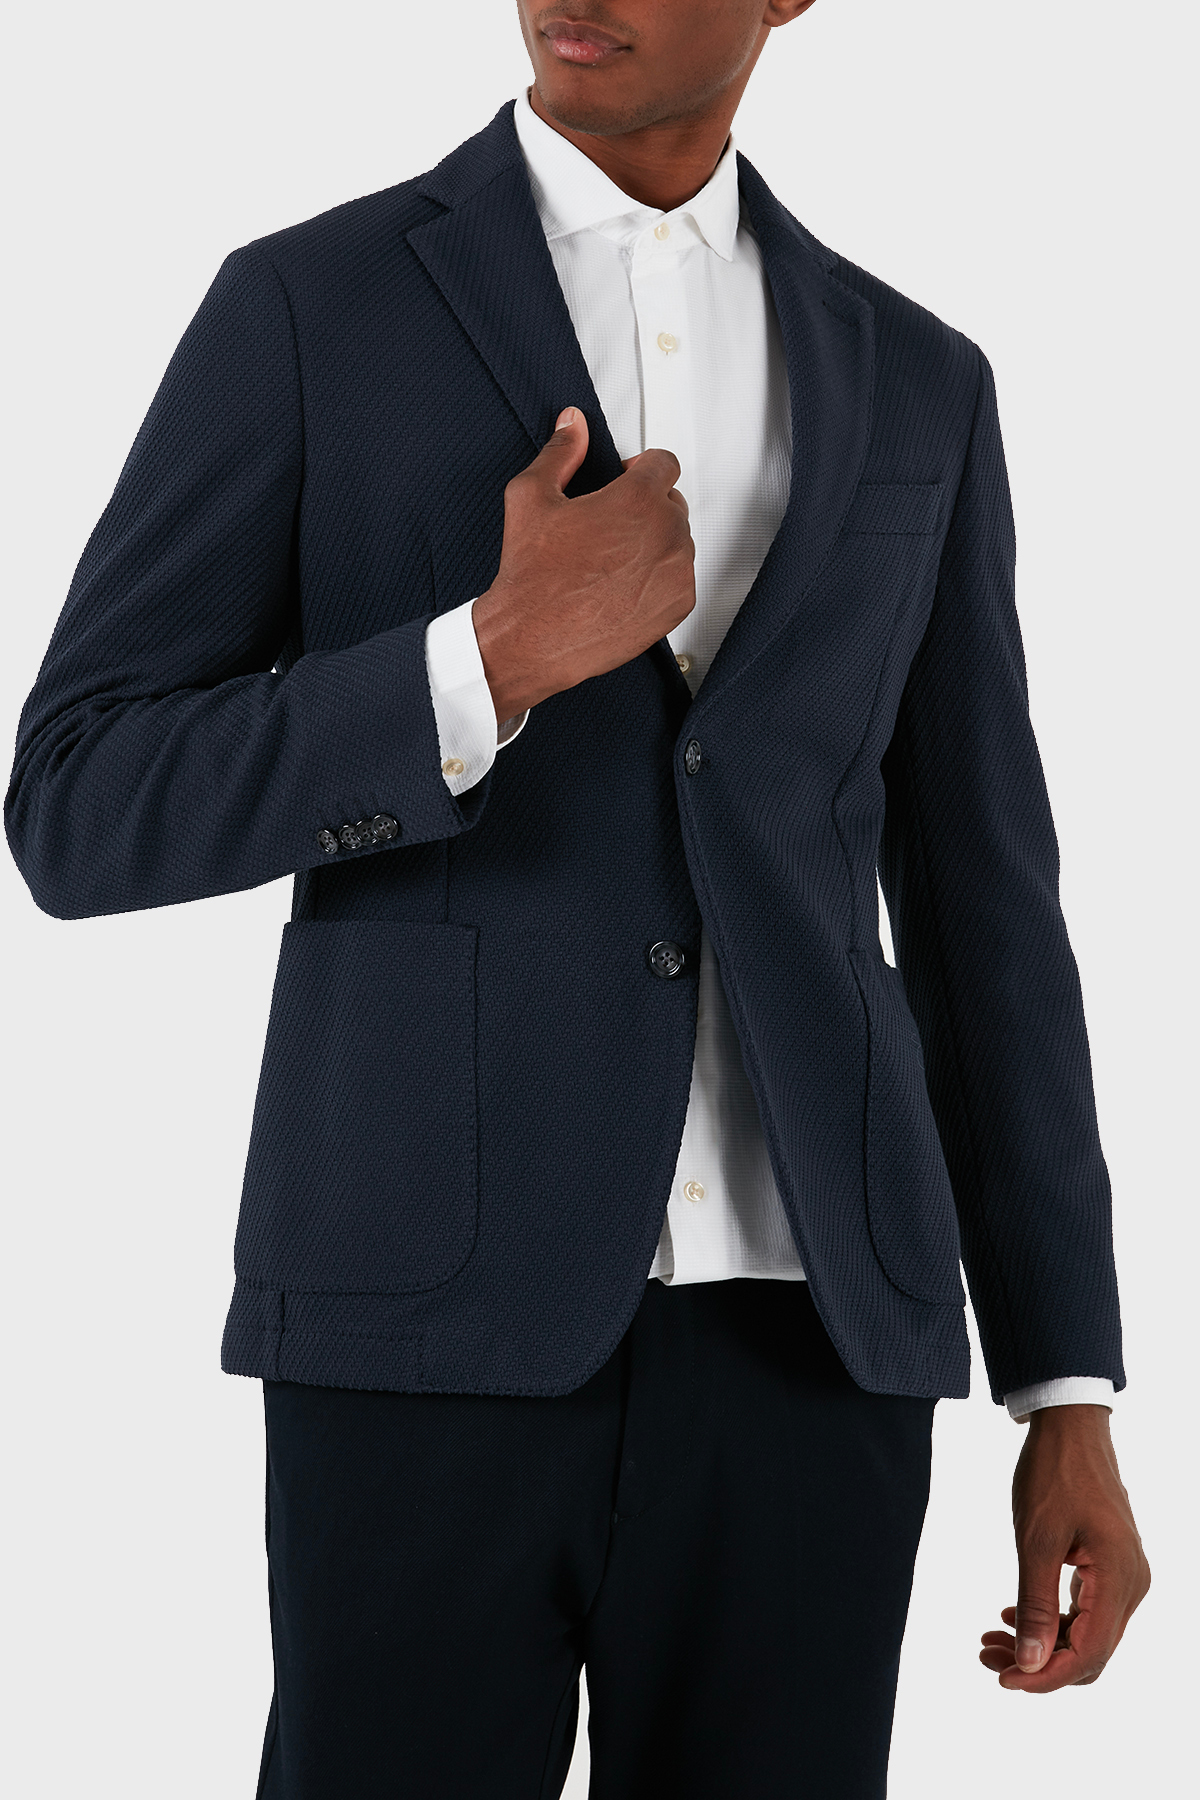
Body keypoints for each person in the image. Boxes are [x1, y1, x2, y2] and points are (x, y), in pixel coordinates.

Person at [5, 2, 1150, 1795]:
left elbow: (988, 906)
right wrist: (479, 667)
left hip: (818, 1340)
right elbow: (79, 801)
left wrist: (1064, 1387)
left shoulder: (920, 375)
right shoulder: (310, 306)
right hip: (422, 1313)